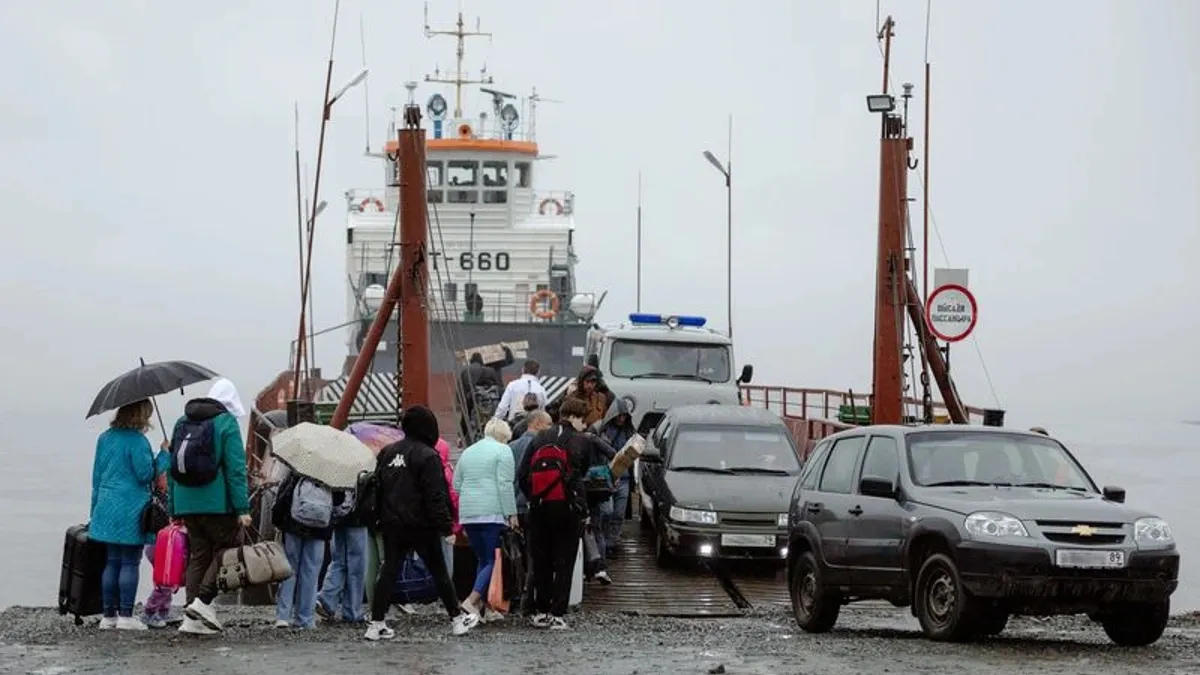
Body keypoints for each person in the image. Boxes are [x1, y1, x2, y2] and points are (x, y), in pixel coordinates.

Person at [366, 406, 477, 640]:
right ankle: (456, 619)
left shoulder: (387, 452)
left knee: (389, 570)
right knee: (439, 571)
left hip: (392, 523)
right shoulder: (427, 455)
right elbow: (435, 495)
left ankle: (376, 623)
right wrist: (446, 526)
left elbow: (378, 489)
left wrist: (377, 518)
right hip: (421, 525)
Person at [170, 378, 252, 636]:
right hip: (216, 504)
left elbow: (171, 467)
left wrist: (174, 507)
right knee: (229, 549)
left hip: (186, 502)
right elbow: (236, 469)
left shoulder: (182, 422)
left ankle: (191, 617)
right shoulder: (226, 423)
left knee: (199, 555)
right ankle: (203, 603)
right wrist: (242, 508)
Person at [517, 397, 591, 630]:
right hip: (567, 510)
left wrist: (534, 498)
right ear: (575, 417)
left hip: (539, 509)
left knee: (541, 561)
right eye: (583, 420)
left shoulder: (540, 437)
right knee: (564, 561)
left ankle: (540, 612)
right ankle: (558, 614)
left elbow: (522, 474)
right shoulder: (580, 441)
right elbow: (582, 475)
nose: (584, 425)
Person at [90, 399, 164, 630]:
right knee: (130, 561)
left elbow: (97, 476)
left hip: (105, 505)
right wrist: (163, 455)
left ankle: (108, 616)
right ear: (141, 415)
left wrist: (94, 510)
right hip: (130, 507)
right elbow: (145, 475)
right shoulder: (138, 441)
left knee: (111, 561)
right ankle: (125, 616)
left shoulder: (104, 438)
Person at [454, 418, 519, 623]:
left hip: (468, 512)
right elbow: (505, 484)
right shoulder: (503, 451)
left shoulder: (468, 451)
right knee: (491, 559)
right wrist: (512, 513)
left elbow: (457, 484)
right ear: (504, 436)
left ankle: (483, 607)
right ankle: (471, 601)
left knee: (482, 559)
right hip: (492, 512)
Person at [271, 465, 333, 630]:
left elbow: (284, 496)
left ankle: (283, 617)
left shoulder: (298, 469)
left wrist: (277, 520)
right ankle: (305, 619)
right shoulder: (331, 473)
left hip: (294, 525)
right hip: (319, 528)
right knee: (311, 572)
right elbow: (339, 501)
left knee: (289, 569)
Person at [598, 399, 636, 558]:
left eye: (624, 416)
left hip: (624, 478)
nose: (622, 419)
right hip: (608, 477)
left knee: (618, 514)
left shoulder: (629, 432)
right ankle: (604, 543)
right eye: (619, 416)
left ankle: (611, 543)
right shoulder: (604, 430)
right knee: (607, 512)